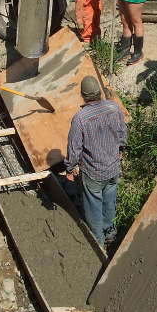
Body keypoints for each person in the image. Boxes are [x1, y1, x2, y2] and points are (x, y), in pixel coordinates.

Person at [64, 75, 127, 246]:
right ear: (99, 92)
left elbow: (74, 149)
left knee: (93, 207)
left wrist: (69, 170)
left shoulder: (80, 119)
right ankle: (111, 233)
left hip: (93, 174)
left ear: (83, 95)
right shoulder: (113, 108)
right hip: (113, 169)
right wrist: (120, 149)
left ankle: (98, 241)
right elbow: (122, 133)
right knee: (110, 202)